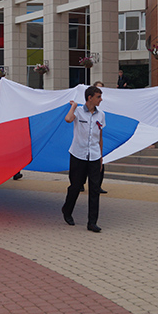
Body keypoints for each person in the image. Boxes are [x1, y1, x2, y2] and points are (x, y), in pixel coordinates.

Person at [61, 86, 105, 233]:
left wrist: (100, 157)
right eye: (98, 97)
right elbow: (68, 119)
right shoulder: (78, 112)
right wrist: (73, 106)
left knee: (94, 189)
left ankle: (92, 222)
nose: (101, 99)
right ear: (90, 98)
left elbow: (100, 137)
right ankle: (67, 210)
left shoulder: (101, 115)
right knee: (75, 186)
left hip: (94, 156)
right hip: (78, 155)